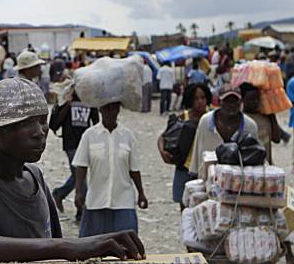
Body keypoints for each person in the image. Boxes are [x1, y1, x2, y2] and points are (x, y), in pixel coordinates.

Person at [0, 78, 145, 264]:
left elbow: (54, 243)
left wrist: (91, 244)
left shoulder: (34, 177)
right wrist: (68, 247)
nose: (39, 132)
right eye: (25, 123)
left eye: (42, 121)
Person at [240, 82, 294, 264]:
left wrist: (271, 114)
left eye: (257, 99)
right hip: (248, 176)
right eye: (251, 99)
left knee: (276, 214)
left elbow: (275, 138)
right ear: (243, 100)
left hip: (268, 173)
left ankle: (289, 255)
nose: (255, 102)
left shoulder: (265, 115)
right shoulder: (240, 118)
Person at [74, 101, 148, 237]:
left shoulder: (128, 136)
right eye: (106, 108)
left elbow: (134, 169)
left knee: (128, 247)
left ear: (119, 110)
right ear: (100, 109)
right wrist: (78, 191)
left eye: (114, 108)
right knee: (90, 248)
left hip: (123, 201)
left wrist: (141, 193)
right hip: (96, 201)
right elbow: (81, 166)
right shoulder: (89, 136)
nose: (110, 112)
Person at [158, 83, 212, 211]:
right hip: (185, 168)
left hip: (205, 169)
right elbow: (163, 136)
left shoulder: (212, 117)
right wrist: (162, 152)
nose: (200, 102)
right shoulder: (184, 117)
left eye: (203, 98)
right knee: (185, 207)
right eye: (196, 99)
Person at [189, 85, 258, 178]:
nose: (231, 105)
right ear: (219, 102)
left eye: (235, 101)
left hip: (239, 184)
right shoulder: (205, 122)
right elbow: (197, 153)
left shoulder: (250, 126)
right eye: (227, 101)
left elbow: (255, 158)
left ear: (240, 102)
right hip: (207, 180)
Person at [50, 92, 98, 221]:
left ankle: (60, 193)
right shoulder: (64, 99)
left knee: (78, 175)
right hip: (71, 144)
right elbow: (54, 124)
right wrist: (67, 105)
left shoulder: (90, 100)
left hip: (85, 143)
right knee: (79, 176)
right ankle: (83, 211)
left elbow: (97, 122)